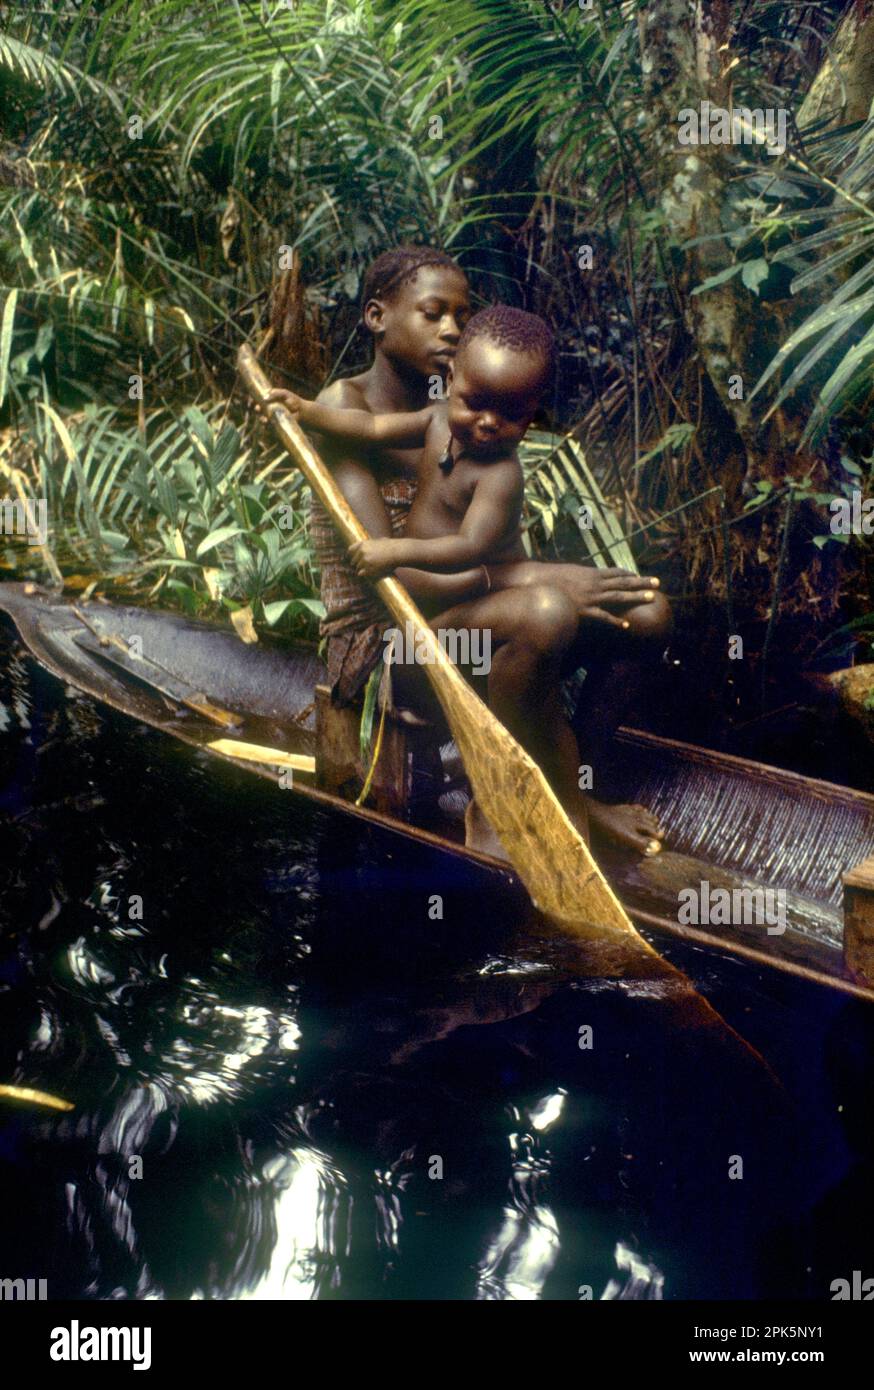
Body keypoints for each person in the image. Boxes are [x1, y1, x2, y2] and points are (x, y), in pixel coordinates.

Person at [264, 245, 670, 855]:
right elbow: (396, 578)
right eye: (433, 313)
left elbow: (482, 544)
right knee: (544, 614)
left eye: (461, 315)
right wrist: (541, 578)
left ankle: (575, 783)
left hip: (465, 612)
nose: (452, 329)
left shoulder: (461, 415)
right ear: (377, 317)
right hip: (389, 643)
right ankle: (516, 793)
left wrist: (531, 577)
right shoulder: (347, 410)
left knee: (647, 615)